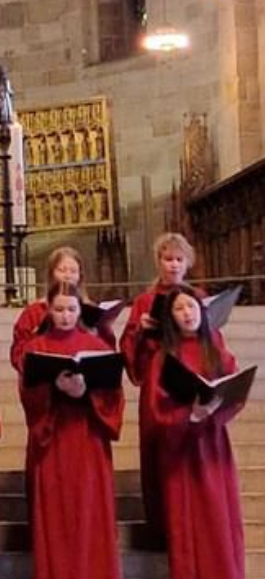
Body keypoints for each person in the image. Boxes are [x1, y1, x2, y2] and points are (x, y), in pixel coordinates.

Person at [16, 286, 123, 579]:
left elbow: (113, 395)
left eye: (71, 310)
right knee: (57, 515)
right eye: (59, 309)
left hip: (88, 439)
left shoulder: (96, 347)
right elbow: (28, 396)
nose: (65, 316)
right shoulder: (36, 348)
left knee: (90, 513)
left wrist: (86, 392)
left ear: (80, 310)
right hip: (53, 440)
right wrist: (54, 389)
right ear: (48, 310)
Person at [148, 287, 246, 579]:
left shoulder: (216, 349)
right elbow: (157, 405)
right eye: (179, 309)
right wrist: (189, 417)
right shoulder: (164, 357)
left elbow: (235, 391)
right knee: (185, 520)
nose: (187, 313)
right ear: (170, 318)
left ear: (202, 311)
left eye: (191, 306)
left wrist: (213, 413)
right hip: (182, 449)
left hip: (213, 445)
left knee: (217, 519)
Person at [120, 232, 199, 545]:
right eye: (168, 259)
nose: (174, 265)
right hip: (158, 381)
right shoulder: (144, 301)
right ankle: (162, 528)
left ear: (187, 262)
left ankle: (194, 522)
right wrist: (141, 330)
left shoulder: (198, 296)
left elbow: (209, 338)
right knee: (158, 453)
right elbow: (127, 346)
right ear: (159, 262)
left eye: (179, 259)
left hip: (193, 377)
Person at [10, 246, 119, 366]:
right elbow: (18, 354)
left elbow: (108, 353)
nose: (68, 276)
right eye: (62, 270)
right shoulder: (34, 312)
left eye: (73, 271)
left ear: (80, 276)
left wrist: (104, 327)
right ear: (51, 274)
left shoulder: (92, 311)